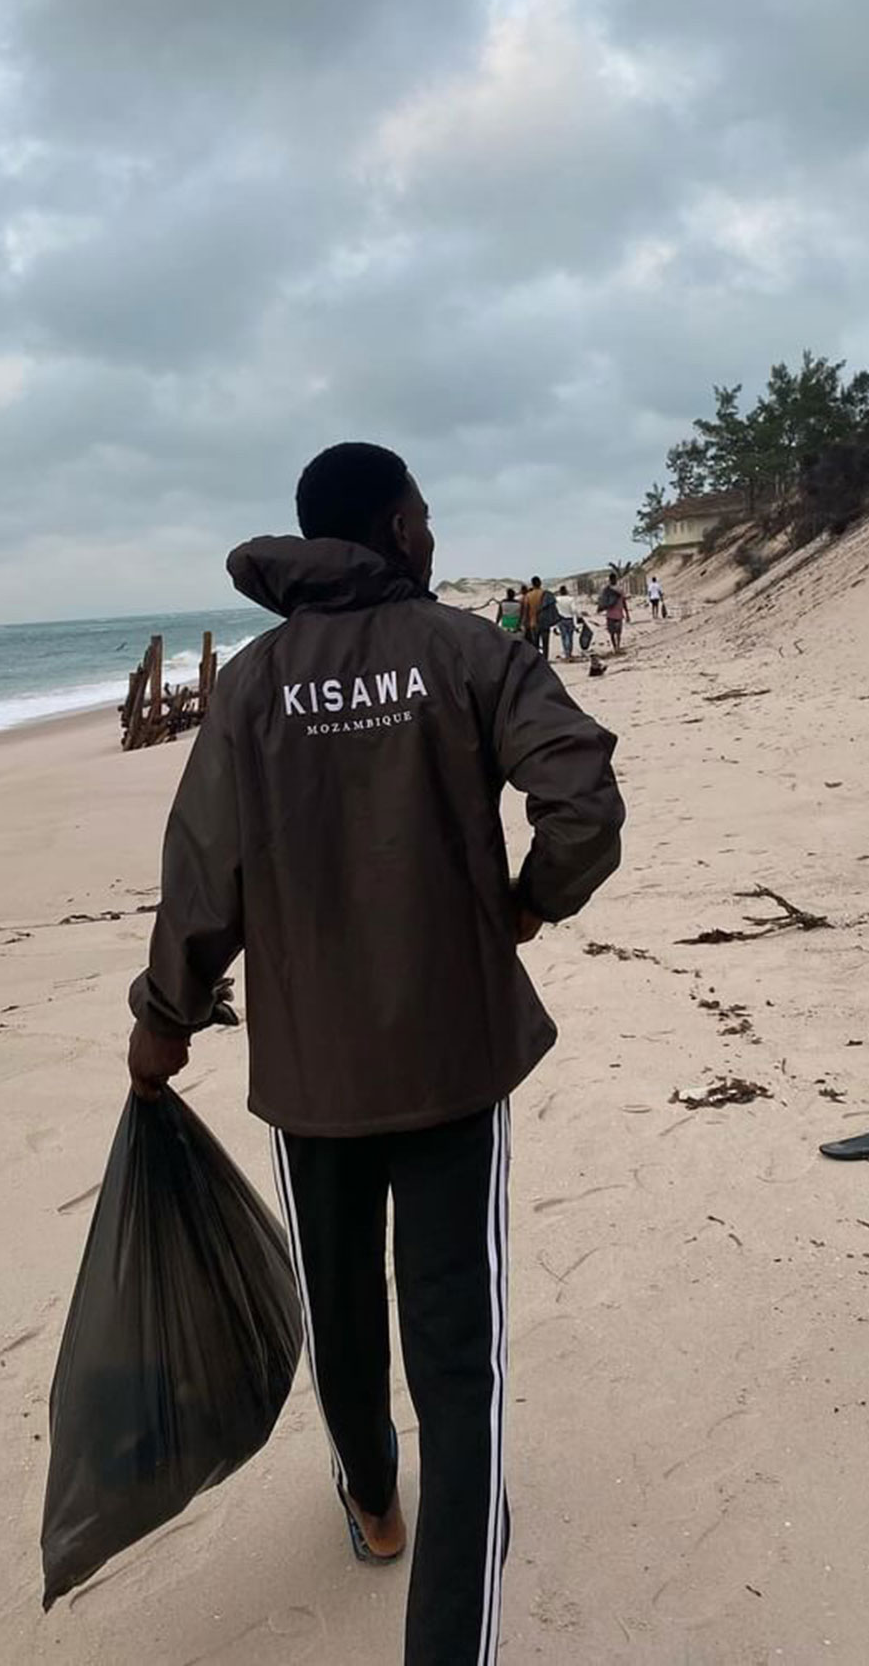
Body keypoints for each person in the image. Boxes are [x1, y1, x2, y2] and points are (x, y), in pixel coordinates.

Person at [127, 444, 624, 1666]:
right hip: (453, 1063)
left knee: (343, 1311)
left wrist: (163, 1017)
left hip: (311, 1077)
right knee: (460, 1359)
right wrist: (527, 904)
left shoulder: (249, 686)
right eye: (428, 518)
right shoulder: (467, 652)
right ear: (398, 526)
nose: (434, 537)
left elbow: (205, 872)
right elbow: (584, 799)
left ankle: (376, 1502)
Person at [597, 578, 630, 653]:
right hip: (619, 614)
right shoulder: (620, 590)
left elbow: (602, 601)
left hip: (610, 615)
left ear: (610, 581)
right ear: (616, 580)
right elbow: (624, 602)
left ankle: (614, 647)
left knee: (611, 632)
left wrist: (600, 609)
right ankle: (618, 646)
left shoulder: (606, 591)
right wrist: (627, 613)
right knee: (618, 632)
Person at [535, 583, 559, 660]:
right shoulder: (549, 596)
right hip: (546, 622)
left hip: (535, 622)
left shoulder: (531, 596)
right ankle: (545, 659)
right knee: (545, 643)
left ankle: (536, 659)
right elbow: (554, 611)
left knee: (535, 643)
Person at [520, 574, 545, 647]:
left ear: (532, 584)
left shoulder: (528, 595)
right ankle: (545, 657)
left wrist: (523, 622)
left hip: (533, 622)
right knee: (545, 644)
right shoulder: (545, 593)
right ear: (540, 583)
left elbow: (526, 610)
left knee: (535, 643)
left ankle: (536, 657)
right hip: (544, 622)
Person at [555, 586, 575, 660]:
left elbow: (556, 609)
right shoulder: (570, 599)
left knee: (564, 637)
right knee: (570, 637)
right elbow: (574, 609)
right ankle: (569, 653)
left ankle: (566, 653)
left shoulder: (557, 599)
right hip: (569, 619)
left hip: (561, 619)